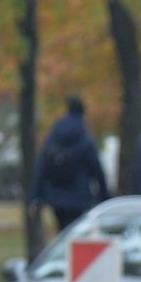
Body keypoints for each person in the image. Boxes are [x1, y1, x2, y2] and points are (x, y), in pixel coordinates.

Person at [30, 97, 110, 244]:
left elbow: (42, 166)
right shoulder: (85, 137)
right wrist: (105, 196)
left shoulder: (54, 135)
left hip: (56, 195)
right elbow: (97, 169)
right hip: (79, 196)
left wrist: (36, 196)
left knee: (62, 234)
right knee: (76, 235)